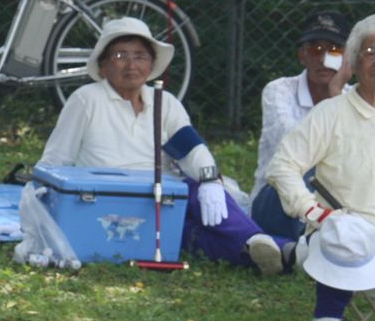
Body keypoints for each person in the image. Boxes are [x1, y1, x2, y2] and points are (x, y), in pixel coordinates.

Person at [38, 17, 292, 273]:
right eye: (119, 55)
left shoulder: (164, 101)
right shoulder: (86, 99)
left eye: (139, 56)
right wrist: (42, 204)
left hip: (165, 195)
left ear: (151, 65)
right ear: (103, 66)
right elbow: (56, 159)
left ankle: (258, 243)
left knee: (197, 198)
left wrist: (210, 180)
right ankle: (286, 251)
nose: (131, 64)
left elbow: (191, 147)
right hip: (108, 201)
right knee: (185, 236)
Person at [268, 14, 375, 321]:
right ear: (353, 64)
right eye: (371, 51)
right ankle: (328, 317)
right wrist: (311, 210)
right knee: (344, 233)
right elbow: (282, 166)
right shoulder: (331, 114)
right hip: (344, 227)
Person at [250, 11, 351, 239]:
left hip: (337, 207)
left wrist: (336, 92)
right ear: (302, 56)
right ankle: (312, 241)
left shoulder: (354, 98)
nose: (324, 58)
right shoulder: (278, 90)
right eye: (316, 49)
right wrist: (335, 100)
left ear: (348, 58)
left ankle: (306, 245)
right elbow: (293, 148)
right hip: (278, 203)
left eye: (334, 50)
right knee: (310, 165)